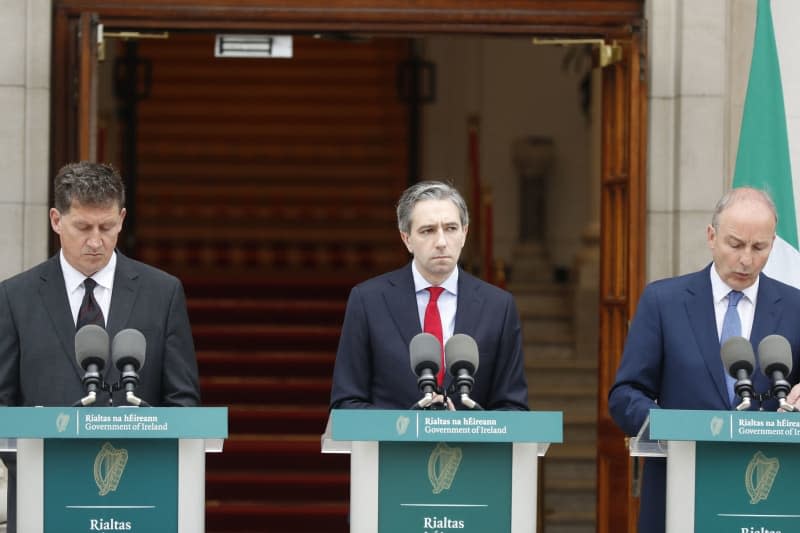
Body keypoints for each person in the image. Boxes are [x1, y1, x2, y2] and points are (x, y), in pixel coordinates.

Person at [0, 161, 201, 533]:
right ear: (56, 220)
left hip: (141, 497)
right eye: (83, 227)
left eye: (107, 227)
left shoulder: (162, 293)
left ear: (122, 219)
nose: (96, 241)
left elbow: (183, 401)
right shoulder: (15, 297)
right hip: (42, 497)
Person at [608, 187, 800, 533]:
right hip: (678, 490)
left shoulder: (795, 308)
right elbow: (625, 395)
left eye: (760, 248)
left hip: (767, 496)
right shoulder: (663, 301)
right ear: (711, 237)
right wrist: (673, 428)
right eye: (735, 244)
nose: (746, 260)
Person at [330, 180, 528, 411]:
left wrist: (463, 427)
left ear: (464, 233)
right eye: (428, 230)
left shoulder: (499, 307)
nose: (442, 242)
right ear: (406, 239)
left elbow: (514, 407)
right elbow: (346, 403)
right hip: (391, 447)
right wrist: (408, 427)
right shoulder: (368, 301)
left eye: (451, 228)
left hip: (471, 447)